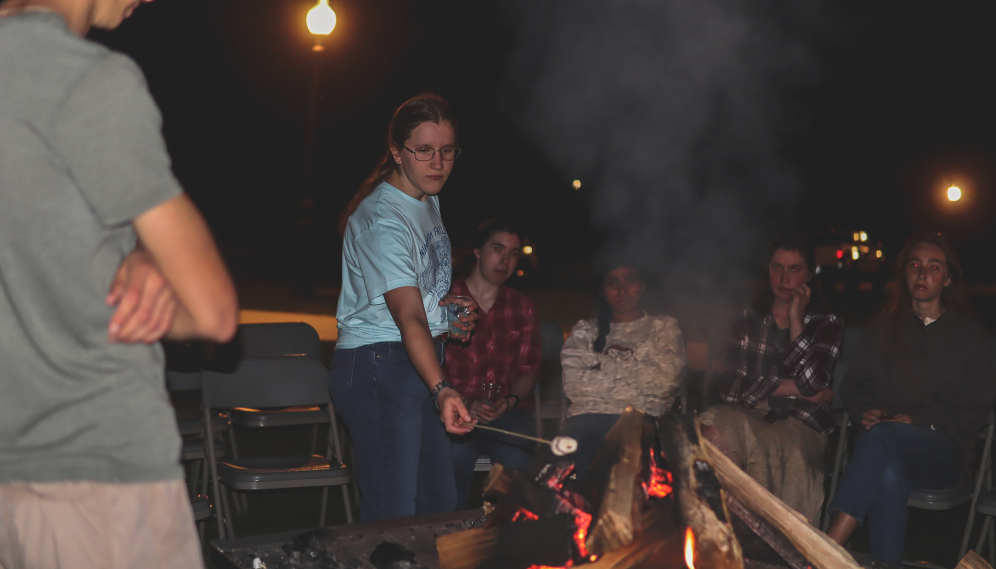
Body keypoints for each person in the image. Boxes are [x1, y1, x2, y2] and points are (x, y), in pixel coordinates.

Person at [0, 0, 240, 566]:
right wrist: (162, 263)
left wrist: (136, 251)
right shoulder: (85, 77)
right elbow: (213, 311)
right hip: (97, 466)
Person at [330, 94, 478, 522]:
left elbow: (422, 298)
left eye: (447, 151)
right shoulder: (382, 220)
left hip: (418, 359)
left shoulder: (426, 200)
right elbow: (406, 315)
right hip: (378, 364)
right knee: (391, 512)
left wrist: (447, 313)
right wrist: (441, 388)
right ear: (397, 151)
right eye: (424, 151)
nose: (438, 163)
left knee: (437, 501)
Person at [826, 232, 995, 567]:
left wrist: (919, 421)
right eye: (915, 265)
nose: (922, 273)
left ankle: (824, 550)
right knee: (887, 470)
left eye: (934, 267)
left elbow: (975, 409)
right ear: (904, 273)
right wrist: (865, 411)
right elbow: (854, 387)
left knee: (882, 437)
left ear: (947, 279)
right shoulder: (883, 329)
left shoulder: (972, 337)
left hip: (943, 454)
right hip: (883, 450)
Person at [700, 233, 843, 525]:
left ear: (810, 273)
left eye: (794, 269)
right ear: (768, 270)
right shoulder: (745, 320)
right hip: (748, 414)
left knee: (784, 452)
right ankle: (724, 531)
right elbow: (729, 386)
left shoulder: (827, 323)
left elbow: (813, 383)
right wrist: (794, 388)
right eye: (777, 267)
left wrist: (795, 322)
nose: (784, 277)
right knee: (712, 427)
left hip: (802, 422)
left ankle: (778, 541)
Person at [560, 258, 687, 478]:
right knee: (571, 471)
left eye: (630, 280)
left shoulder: (663, 327)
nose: (622, 289)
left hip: (645, 417)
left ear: (643, 286)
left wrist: (601, 367)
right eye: (612, 283)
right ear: (603, 291)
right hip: (589, 418)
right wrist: (638, 373)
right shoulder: (586, 330)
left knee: (639, 476)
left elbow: (666, 381)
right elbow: (573, 386)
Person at [446, 219, 541, 508]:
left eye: (513, 253)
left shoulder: (521, 306)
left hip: (506, 414)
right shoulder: (446, 301)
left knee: (519, 459)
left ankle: (511, 535)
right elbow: (428, 364)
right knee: (455, 457)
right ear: (477, 251)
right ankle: (448, 529)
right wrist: (466, 401)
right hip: (454, 410)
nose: (505, 260)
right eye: (497, 249)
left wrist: (509, 401)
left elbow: (529, 370)